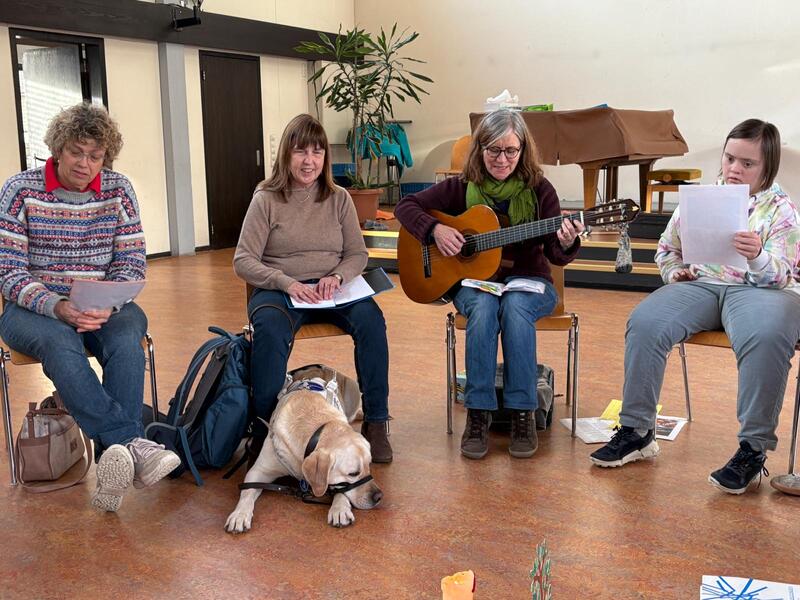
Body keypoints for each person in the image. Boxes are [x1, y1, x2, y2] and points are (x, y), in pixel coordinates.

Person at [590, 119, 800, 494]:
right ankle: (637, 430)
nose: (734, 169)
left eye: (747, 163)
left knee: (766, 337)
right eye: (729, 158)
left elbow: (783, 274)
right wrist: (674, 273)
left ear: (767, 166)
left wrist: (757, 257)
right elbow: (667, 249)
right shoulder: (704, 199)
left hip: (763, 290)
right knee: (646, 321)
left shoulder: (782, 209)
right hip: (703, 284)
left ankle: (752, 450)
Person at [0, 103, 180, 511]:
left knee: (126, 340)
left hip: (103, 302)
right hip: (32, 307)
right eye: (76, 152)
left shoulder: (119, 190)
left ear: (105, 157)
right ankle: (130, 442)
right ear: (57, 149)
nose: (85, 164)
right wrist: (57, 306)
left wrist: (109, 305)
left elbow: (130, 261)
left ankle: (115, 459)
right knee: (60, 344)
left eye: (95, 156)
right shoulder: (20, 190)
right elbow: (9, 272)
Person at [395, 109, 584, 459]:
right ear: (479, 149)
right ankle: (478, 413)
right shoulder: (461, 187)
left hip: (530, 283)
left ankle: (523, 413)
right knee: (483, 308)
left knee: (514, 307)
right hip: (475, 284)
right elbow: (405, 207)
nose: (502, 159)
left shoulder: (540, 190)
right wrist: (435, 230)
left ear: (523, 150)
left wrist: (568, 240)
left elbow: (556, 255)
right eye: (493, 150)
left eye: (511, 150)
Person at [233, 113, 392, 463]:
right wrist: (285, 282)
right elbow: (243, 260)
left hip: (331, 290)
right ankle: (265, 430)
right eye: (301, 151)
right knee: (270, 331)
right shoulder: (266, 199)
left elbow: (357, 254)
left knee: (372, 322)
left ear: (325, 158)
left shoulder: (339, 198)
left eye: (317, 152)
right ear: (286, 155)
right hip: (281, 289)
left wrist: (337, 277)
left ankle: (377, 421)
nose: (309, 161)